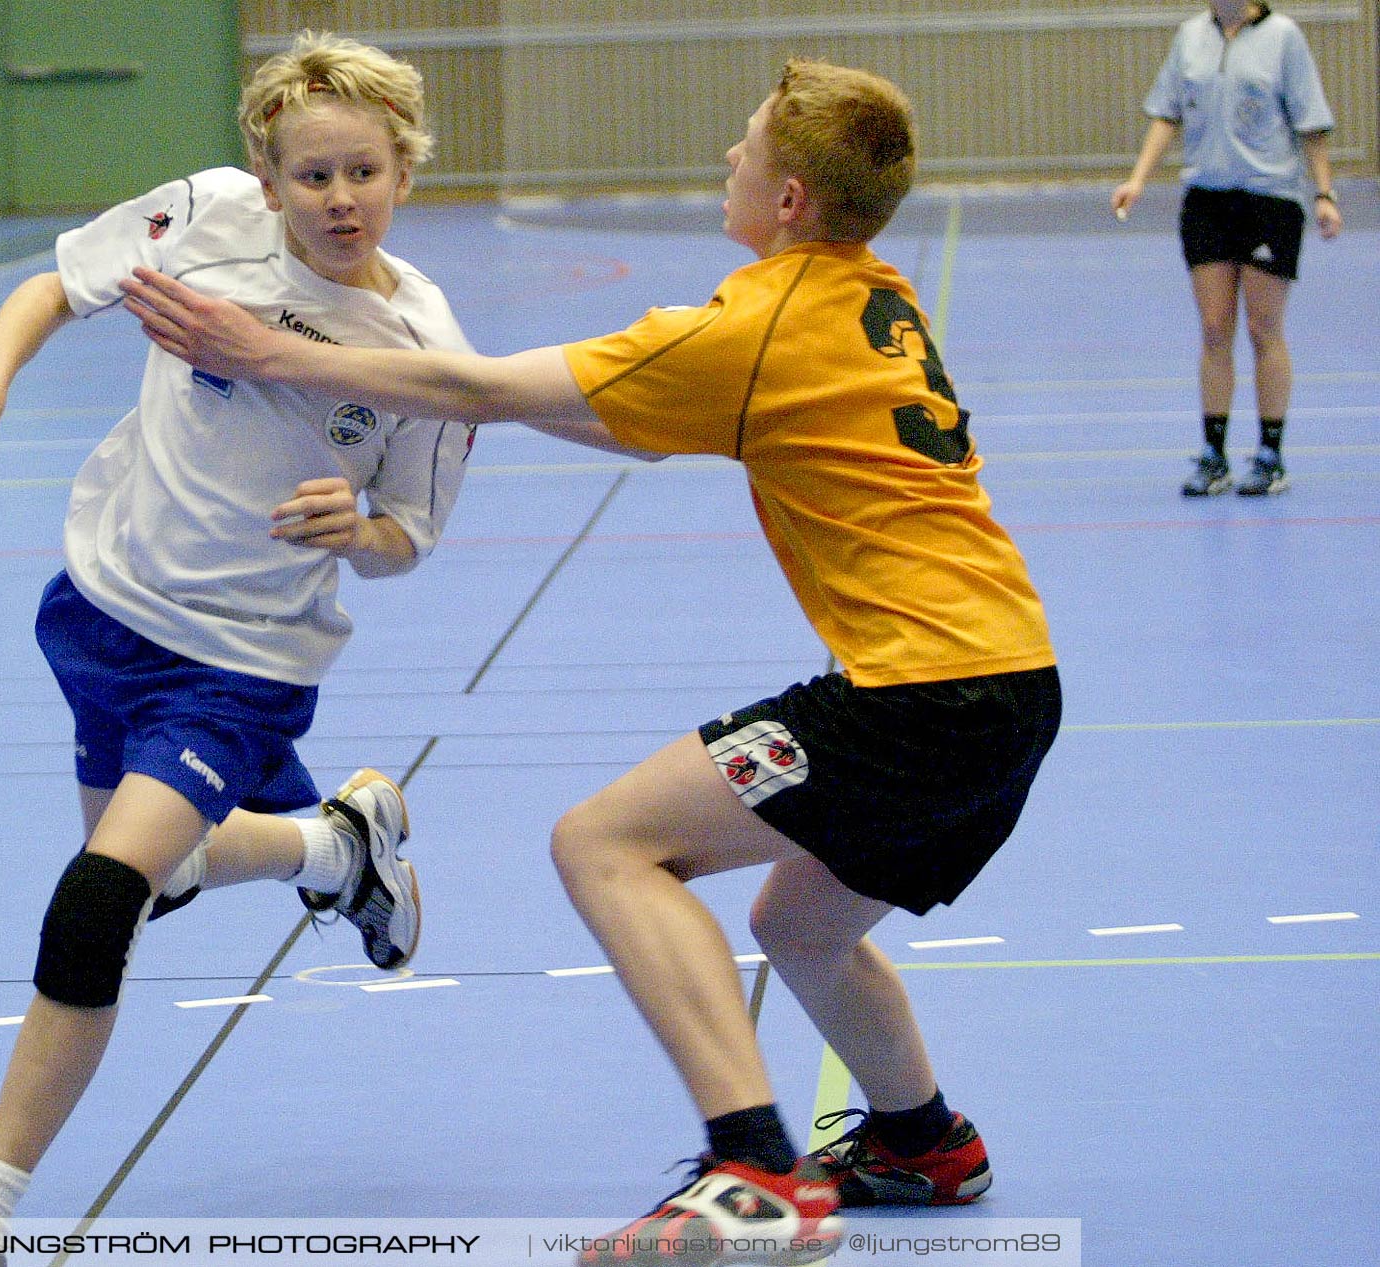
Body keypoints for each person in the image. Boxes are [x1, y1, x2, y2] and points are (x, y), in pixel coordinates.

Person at [126, 57, 1061, 1266]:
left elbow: (476, 383)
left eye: (746, 143)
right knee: (802, 922)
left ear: (787, 200)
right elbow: (616, 419)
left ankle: (756, 1172)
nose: (730, 156)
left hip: (919, 693)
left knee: (604, 841)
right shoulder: (866, 299)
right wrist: (498, 403)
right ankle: (921, 1142)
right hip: (1013, 680)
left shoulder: (760, 322)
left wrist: (271, 352)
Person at [0, 32, 475, 1266]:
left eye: (364, 171)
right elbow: (49, 288)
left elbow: (410, 533)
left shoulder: (420, 345)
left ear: (405, 170)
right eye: (313, 177)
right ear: (267, 174)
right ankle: (337, 845)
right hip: (101, 611)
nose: (340, 199)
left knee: (100, 902)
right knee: (178, 872)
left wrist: (358, 529)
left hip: (243, 662)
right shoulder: (201, 217)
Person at [1112, 0, 1343, 497]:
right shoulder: (1191, 37)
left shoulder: (1284, 37)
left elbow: (1312, 126)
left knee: (1263, 328)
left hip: (1269, 201)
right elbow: (1166, 114)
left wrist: (1324, 194)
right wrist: (1138, 179)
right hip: (1207, 201)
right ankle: (1214, 456)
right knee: (1216, 328)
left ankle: (1269, 454)